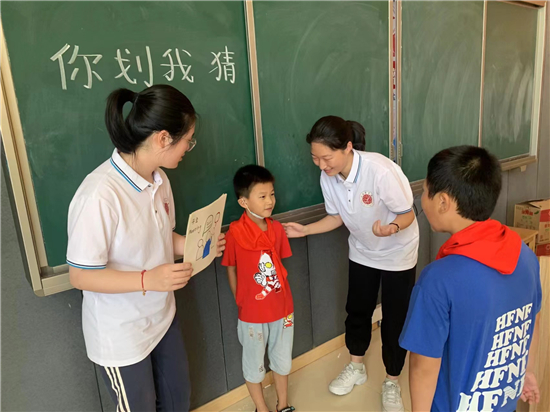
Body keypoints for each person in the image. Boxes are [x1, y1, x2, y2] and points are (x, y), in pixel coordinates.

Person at [67, 84, 225, 411]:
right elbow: (81, 276)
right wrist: (147, 280)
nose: (188, 148)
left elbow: (161, 237)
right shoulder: (99, 195)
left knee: (177, 399)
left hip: (162, 317)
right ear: (163, 138)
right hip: (122, 336)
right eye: (187, 140)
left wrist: (200, 244)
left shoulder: (159, 179)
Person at [284, 116, 419, 411]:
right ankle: (356, 367)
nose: (321, 165)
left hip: (397, 252)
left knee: (395, 318)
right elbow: (336, 217)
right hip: (362, 251)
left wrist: (392, 229)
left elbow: (408, 213)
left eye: (326, 157)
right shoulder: (328, 178)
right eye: (315, 158)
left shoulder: (380, 170)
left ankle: (392, 381)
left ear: (347, 148)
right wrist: (305, 230)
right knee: (357, 310)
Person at [399, 145, 541, 412]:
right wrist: (526, 371)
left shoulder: (438, 280)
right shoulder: (525, 255)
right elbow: (530, 319)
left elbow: (424, 365)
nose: (422, 198)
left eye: (425, 191)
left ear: (443, 201)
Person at [222, 165, 295, 412]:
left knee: (282, 359)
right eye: (262, 196)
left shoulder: (275, 228)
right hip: (252, 312)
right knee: (254, 363)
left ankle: (283, 404)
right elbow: (230, 268)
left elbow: (279, 267)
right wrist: (240, 299)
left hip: (283, 308)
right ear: (244, 201)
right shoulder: (235, 233)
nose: (270, 201)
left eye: (272, 194)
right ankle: (261, 408)